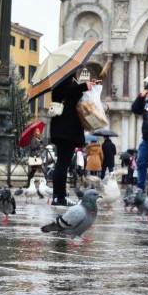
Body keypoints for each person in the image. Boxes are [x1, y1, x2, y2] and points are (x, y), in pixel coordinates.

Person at [49, 75, 97, 206]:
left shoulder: (68, 81)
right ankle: (60, 197)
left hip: (65, 129)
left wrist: (87, 86)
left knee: (62, 163)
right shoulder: (61, 80)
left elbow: (73, 92)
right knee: (63, 163)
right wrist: (83, 86)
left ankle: (58, 196)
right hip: (65, 129)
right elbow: (68, 91)